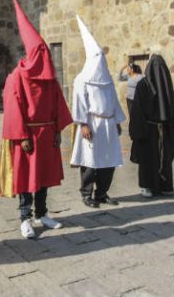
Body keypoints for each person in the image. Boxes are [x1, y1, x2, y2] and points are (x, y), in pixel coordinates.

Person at [0, 0, 73, 239]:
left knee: (45, 176)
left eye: (45, 51)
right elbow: (12, 107)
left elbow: (57, 104)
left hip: (47, 133)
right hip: (28, 135)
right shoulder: (17, 76)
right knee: (26, 178)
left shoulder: (49, 78)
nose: (45, 55)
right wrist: (21, 137)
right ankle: (25, 218)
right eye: (40, 51)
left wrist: (58, 130)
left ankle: (42, 213)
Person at [70, 15, 126, 208]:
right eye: (98, 56)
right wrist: (83, 123)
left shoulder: (108, 80)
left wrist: (117, 121)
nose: (101, 59)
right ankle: (87, 194)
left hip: (108, 124)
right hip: (92, 124)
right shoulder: (82, 80)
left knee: (109, 161)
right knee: (90, 162)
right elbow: (79, 103)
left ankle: (102, 193)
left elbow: (114, 101)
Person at [128, 54, 174, 199]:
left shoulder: (164, 85)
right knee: (148, 159)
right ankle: (147, 185)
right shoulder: (144, 85)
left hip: (161, 129)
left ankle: (164, 185)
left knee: (163, 158)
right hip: (148, 130)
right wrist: (138, 132)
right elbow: (138, 110)